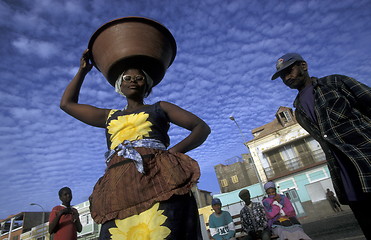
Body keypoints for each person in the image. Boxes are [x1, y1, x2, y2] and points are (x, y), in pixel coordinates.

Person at [60, 49, 210, 240]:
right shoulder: (109, 116)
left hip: (158, 180)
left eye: (139, 78)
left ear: (146, 84)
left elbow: (201, 128)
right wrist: (83, 71)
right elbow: (67, 104)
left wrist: (172, 153)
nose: (133, 81)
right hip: (118, 189)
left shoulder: (159, 107)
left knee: (164, 230)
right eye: (127, 78)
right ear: (119, 86)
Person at [271, 52, 371, 239]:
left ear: (304, 66)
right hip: (349, 181)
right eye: (282, 76)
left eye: (289, 70)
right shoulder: (299, 110)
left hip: (366, 162)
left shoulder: (335, 83)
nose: (287, 77)